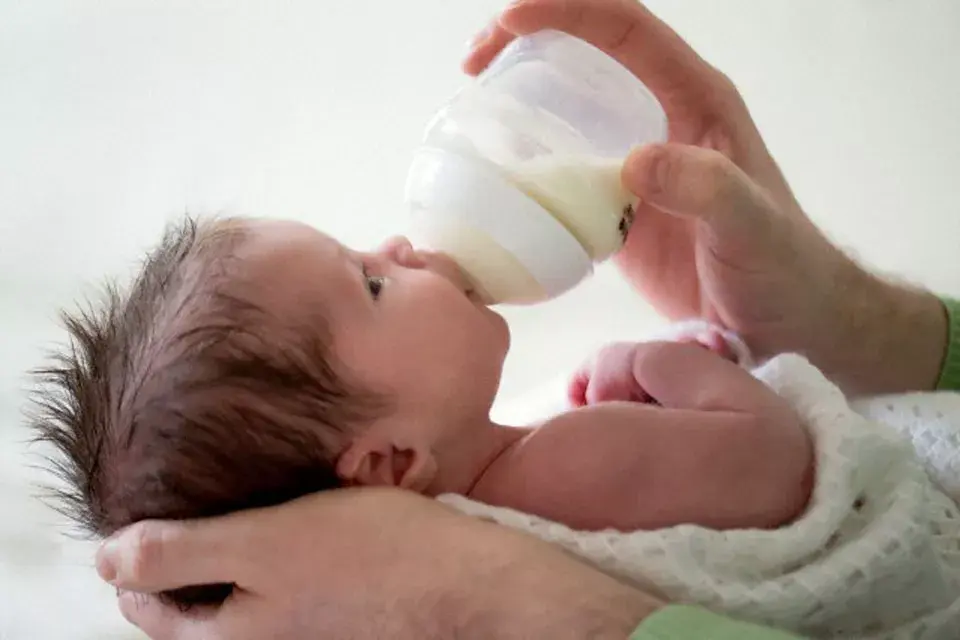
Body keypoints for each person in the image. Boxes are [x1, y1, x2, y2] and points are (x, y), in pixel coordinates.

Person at [92, 0, 960, 638]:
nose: (400, 243)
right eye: (372, 284)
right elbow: (777, 460)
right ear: (389, 462)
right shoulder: (559, 470)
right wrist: (671, 367)